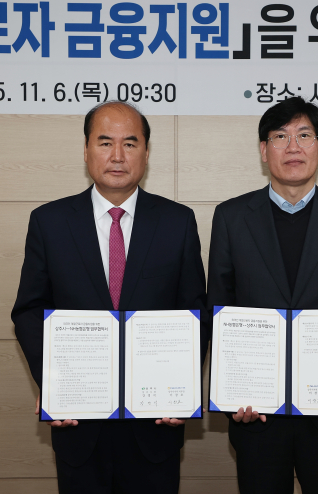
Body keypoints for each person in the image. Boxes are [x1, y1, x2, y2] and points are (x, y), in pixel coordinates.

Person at [11, 101, 208, 494]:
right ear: (86, 150)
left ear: (146, 153)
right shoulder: (49, 222)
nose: (117, 156)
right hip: (78, 422)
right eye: (105, 143)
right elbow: (30, 310)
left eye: (130, 144)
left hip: (155, 424)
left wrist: (181, 388)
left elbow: (195, 313)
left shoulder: (177, 222)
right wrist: (53, 383)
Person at [206, 96, 318, 494]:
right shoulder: (231, 217)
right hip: (257, 417)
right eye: (280, 136)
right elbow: (219, 310)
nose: (293, 147)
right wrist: (233, 395)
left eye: (304, 135)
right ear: (263, 149)